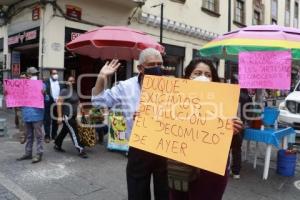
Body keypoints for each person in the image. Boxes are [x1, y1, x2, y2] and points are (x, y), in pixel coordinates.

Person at [91, 48, 169, 200]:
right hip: (138, 148)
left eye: (160, 64)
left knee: (165, 193)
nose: (157, 68)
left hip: (165, 148)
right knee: (137, 193)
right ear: (140, 68)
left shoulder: (172, 86)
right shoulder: (125, 87)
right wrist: (101, 77)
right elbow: (98, 102)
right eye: (152, 64)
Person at [169, 59, 244, 200]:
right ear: (187, 77)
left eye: (207, 74)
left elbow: (235, 145)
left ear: (214, 79)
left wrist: (235, 131)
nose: (202, 77)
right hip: (179, 170)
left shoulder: (225, 104)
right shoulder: (173, 100)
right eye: (197, 73)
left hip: (210, 174)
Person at [54, 75, 88, 158]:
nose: (71, 82)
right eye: (70, 81)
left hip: (74, 115)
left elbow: (78, 102)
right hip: (67, 116)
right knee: (74, 132)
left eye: (73, 81)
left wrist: (82, 109)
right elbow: (59, 103)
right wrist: (59, 116)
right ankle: (80, 149)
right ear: (67, 82)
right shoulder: (64, 91)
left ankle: (57, 144)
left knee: (65, 130)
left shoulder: (74, 91)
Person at [17, 67, 45, 163]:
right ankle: (28, 153)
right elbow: (16, 98)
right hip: (27, 114)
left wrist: (44, 94)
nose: (34, 76)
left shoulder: (41, 85)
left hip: (37, 115)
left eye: (35, 74)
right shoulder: (22, 86)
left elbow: (48, 99)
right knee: (29, 136)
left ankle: (39, 153)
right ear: (28, 75)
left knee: (38, 136)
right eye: (32, 74)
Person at [230, 75, 252, 179]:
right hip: (241, 125)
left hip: (231, 124)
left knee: (226, 150)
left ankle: (225, 170)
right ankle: (236, 172)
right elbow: (249, 112)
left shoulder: (232, 94)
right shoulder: (247, 96)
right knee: (237, 149)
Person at [44, 69, 61, 143]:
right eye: (54, 73)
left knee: (55, 120)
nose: (56, 75)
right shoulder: (45, 82)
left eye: (56, 73)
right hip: (48, 103)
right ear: (50, 74)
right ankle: (47, 135)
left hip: (57, 104)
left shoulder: (61, 83)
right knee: (47, 120)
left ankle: (54, 135)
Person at [17, 72, 28, 144]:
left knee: (28, 122)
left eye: (23, 77)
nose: (22, 79)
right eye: (21, 78)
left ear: (26, 78)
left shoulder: (30, 85)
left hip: (28, 107)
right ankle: (22, 136)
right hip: (20, 107)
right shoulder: (16, 86)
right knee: (21, 123)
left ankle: (28, 135)